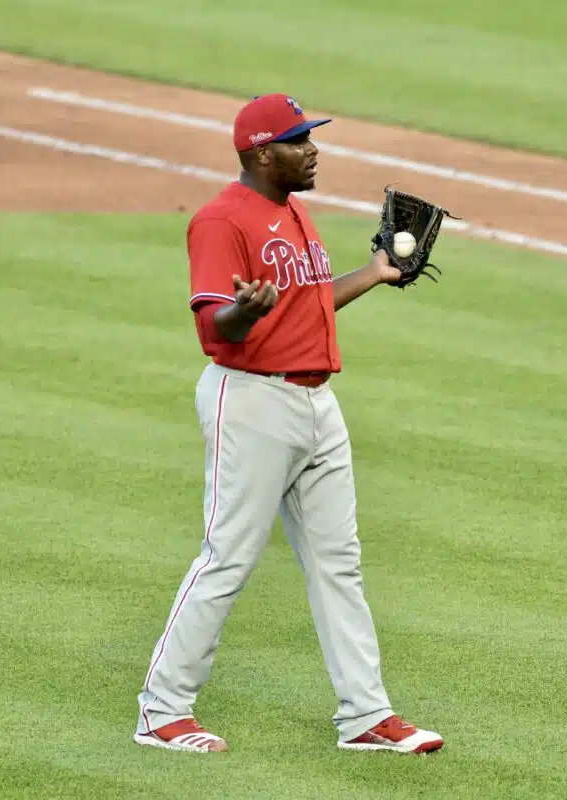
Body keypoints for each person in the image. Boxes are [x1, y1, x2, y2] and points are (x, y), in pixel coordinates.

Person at [133, 93, 443, 755]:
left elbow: (309, 303)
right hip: (251, 400)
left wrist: (377, 272)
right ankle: (162, 711)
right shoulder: (221, 221)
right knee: (228, 559)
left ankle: (365, 715)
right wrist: (245, 312)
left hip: (316, 403)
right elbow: (214, 325)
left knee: (340, 563)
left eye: (312, 138)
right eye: (299, 140)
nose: (314, 150)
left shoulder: (295, 211)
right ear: (261, 152)